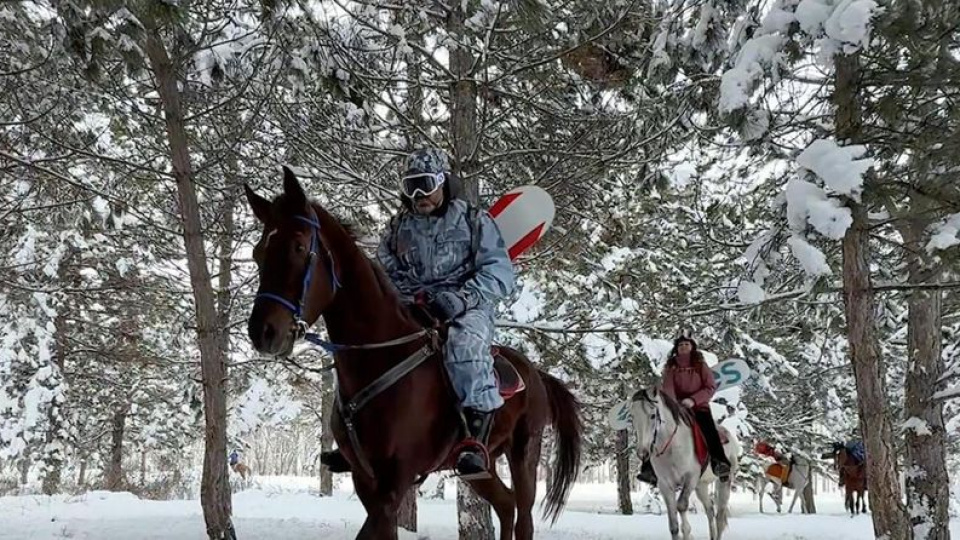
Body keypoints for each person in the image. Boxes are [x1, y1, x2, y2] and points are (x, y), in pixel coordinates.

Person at [323, 147, 516, 478]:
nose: (418, 195)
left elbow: (499, 272)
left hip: (466, 307)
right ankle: (359, 437)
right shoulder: (398, 228)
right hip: (413, 305)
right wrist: (402, 297)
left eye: (425, 184)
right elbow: (385, 272)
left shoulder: (474, 221)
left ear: (442, 182)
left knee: (463, 347)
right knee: (374, 346)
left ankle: (474, 442)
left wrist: (462, 298)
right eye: (410, 186)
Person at [638, 335, 732, 485]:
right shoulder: (671, 366)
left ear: (692, 347)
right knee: (657, 429)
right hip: (676, 406)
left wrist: (693, 400)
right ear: (676, 348)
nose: (683, 347)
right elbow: (668, 386)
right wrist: (674, 403)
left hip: (699, 406)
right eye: (680, 345)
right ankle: (649, 469)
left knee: (709, 430)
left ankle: (719, 463)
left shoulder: (700, 365)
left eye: (687, 344)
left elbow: (710, 387)